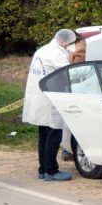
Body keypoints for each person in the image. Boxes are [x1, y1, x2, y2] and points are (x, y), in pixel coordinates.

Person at [22, 29, 78, 182]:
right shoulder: (57, 54)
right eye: (69, 44)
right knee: (54, 136)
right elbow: (69, 74)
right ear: (63, 42)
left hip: (39, 99)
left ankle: (43, 169)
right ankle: (51, 171)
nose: (70, 47)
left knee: (44, 135)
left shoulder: (43, 50)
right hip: (50, 100)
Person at [61, 32, 86, 162]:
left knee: (69, 119)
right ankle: (69, 149)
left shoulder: (74, 46)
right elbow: (77, 67)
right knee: (74, 120)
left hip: (72, 86)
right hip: (76, 88)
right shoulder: (80, 45)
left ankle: (67, 149)